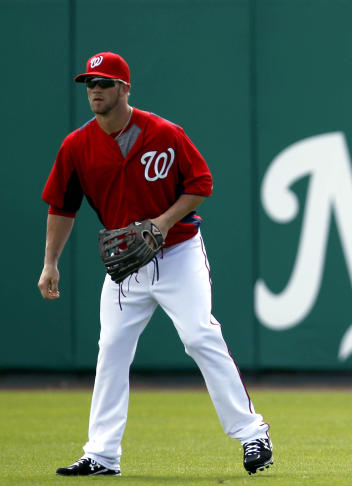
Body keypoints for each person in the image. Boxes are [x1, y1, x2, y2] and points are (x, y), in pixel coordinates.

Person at [38, 52, 273, 476]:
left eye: (105, 83)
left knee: (199, 335)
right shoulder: (77, 146)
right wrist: (50, 262)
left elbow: (202, 183)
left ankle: (252, 433)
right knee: (111, 349)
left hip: (178, 252)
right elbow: (61, 206)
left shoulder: (164, 133)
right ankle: (102, 454)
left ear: (125, 89)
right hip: (126, 264)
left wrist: (163, 223)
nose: (95, 90)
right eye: (90, 83)